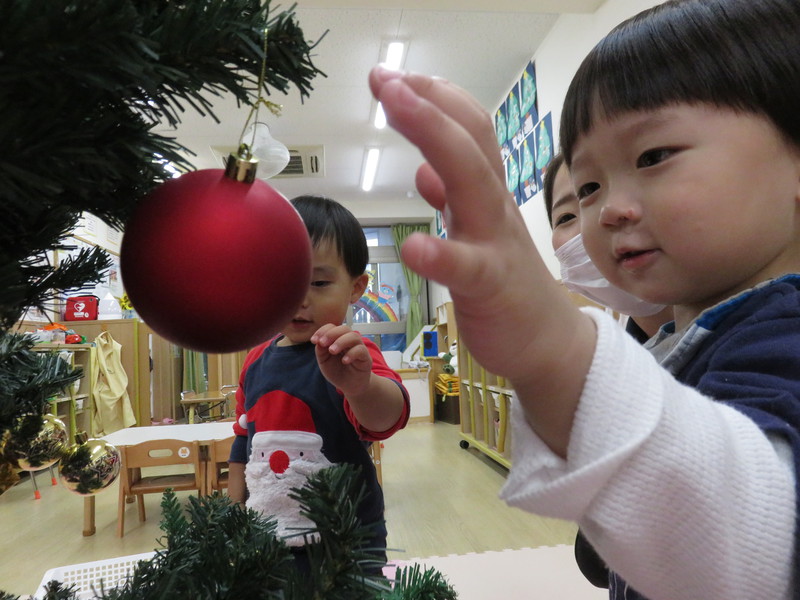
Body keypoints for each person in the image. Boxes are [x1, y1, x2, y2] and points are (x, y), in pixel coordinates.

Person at [368, 0, 800, 598]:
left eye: (654, 156)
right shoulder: (682, 334)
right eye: (590, 185)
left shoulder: (782, 333)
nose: (610, 209)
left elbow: (751, 542)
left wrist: (554, 350)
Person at [228, 194, 410, 569]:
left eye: (320, 282)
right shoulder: (255, 361)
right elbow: (243, 441)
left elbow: (387, 417)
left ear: (356, 288)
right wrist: (233, 518)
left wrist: (360, 387)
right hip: (268, 535)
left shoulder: (352, 355)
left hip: (347, 540)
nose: (299, 298)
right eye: (284, 281)